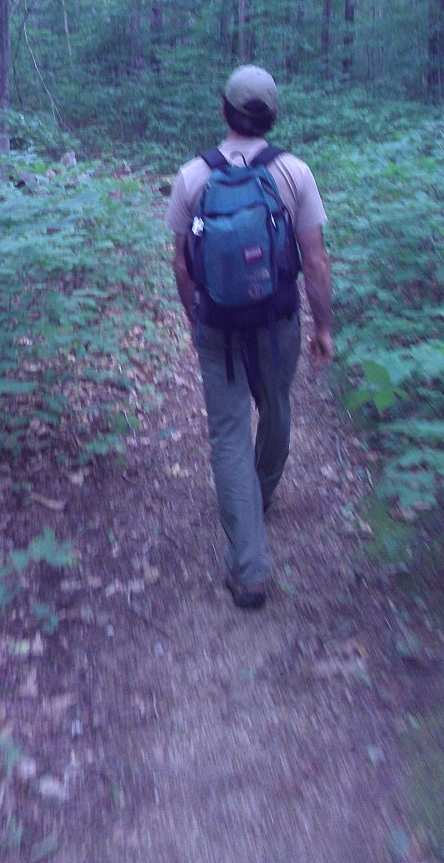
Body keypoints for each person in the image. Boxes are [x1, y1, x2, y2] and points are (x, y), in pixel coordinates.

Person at [165, 65, 333, 609]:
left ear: (223, 111)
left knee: (228, 435)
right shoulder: (294, 173)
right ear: (272, 117)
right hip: (276, 319)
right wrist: (323, 326)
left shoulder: (193, 177)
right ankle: (261, 491)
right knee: (277, 405)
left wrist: (196, 320)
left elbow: (183, 265)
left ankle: (250, 569)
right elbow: (315, 259)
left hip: (218, 324)